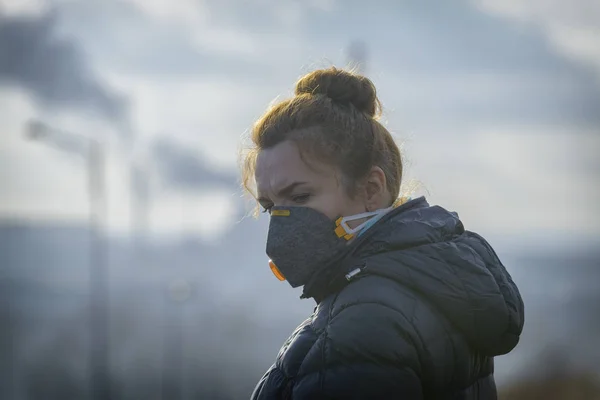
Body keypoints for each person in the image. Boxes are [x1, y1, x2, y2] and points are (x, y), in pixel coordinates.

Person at [241, 67, 524, 399]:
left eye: (300, 197)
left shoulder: (363, 323)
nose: (282, 222)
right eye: (270, 206)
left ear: (371, 189)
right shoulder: (426, 284)